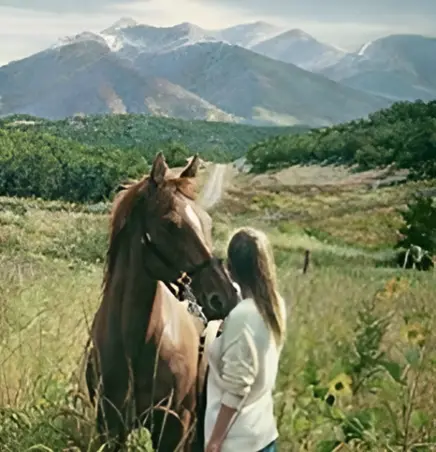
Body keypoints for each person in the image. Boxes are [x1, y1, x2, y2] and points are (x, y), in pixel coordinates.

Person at [204, 227, 287, 452]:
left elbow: (237, 387)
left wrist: (215, 440)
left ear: (230, 268)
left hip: (236, 442)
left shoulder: (243, 316)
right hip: (263, 433)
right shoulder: (274, 304)